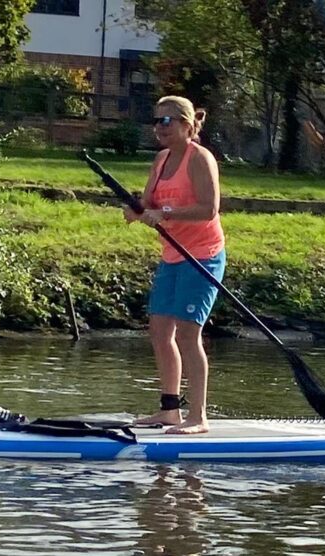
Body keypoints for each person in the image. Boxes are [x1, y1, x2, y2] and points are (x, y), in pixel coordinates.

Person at [123, 95, 225, 435]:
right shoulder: (162, 159)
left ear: (186, 125)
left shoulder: (200, 159)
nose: (159, 128)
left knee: (187, 333)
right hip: (171, 255)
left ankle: (198, 417)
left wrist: (163, 214)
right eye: (156, 121)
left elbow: (208, 209)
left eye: (166, 121)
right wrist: (136, 211)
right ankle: (170, 411)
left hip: (203, 256)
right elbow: (148, 202)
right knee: (159, 331)